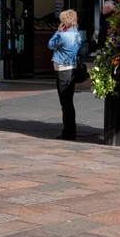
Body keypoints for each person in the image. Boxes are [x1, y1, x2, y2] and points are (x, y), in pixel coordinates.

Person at [48, 9, 86, 141]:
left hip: (63, 70)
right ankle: (70, 130)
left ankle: (68, 132)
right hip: (71, 68)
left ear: (64, 22)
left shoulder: (63, 36)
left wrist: (58, 31)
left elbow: (50, 44)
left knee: (66, 103)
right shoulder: (77, 35)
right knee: (68, 101)